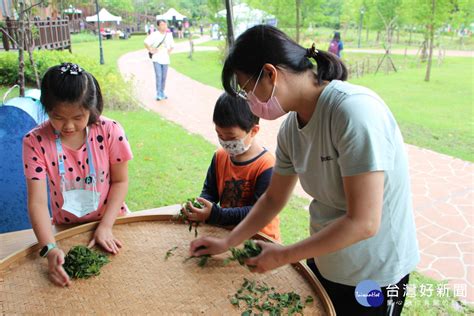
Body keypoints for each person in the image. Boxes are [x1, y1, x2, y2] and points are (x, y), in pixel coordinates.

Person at [189, 25, 419, 316]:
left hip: (372, 272)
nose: (249, 101)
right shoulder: (291, 130)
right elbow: (273, 199)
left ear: (270, 74)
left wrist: (284, 255)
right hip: (324, 259)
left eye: (247, 89)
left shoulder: (354, 112)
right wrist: (227, 242)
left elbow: (364, 222)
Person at [22, 63, 133, 287]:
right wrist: (50, 248)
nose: (69, 126)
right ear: (46, 109)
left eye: (78, 117)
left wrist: (105, 226)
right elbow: (38, 203)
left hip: (113, 220)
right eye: (58, 117)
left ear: (91, 109)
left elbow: (120, 181)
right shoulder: (34, 142)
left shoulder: (110, 131)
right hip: (65, 227)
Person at [182, 93, 280, 241]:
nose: (225, 141)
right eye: (219, 135)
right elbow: (210, 192)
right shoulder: (220, 156)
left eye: (232, 137)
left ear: (253, 131)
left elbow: (258, 212)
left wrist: (216, 215)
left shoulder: (266, 166)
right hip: (226, 234)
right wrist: (200, 206)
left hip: (260, 239)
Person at [144, 19, 174, 101]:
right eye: (162, 24)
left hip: (165, 59)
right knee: (158, 76)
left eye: (165, 24)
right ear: (158, 26)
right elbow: (146, 42)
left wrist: (169, 51)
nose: (164, 26)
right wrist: (150, 50)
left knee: (164, 77)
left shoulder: (169, 35)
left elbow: (172, 45)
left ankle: (162, 92)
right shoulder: (154, 35)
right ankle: (158, 93)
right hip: (156, 58)